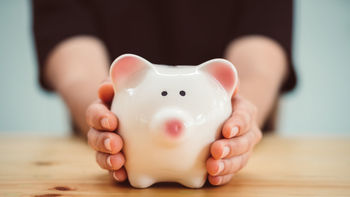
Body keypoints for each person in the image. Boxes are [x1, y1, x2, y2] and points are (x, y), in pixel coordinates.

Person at [32, 0, 296, 186]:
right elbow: (76, 71)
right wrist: (102, 110)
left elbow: (258, 68)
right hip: (107, 146)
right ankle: (140, 174)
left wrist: (240, 118)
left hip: (236, 154)